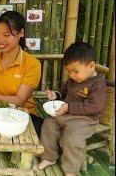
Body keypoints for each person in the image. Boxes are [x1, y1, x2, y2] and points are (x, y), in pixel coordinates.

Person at [38, 42, 106, 176]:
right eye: (69, 72)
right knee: (48, 124)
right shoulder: (72, 81)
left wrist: (70, 107)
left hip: (85, 119)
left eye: (75, 71)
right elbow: (63, 93)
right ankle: (48, 157)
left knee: (73, 136)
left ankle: (70, 169)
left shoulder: (98, 84)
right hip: (66, 114)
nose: (72, 75)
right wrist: (55, 95)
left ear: (91, 66)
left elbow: (96, 106)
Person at [0, 11, 43, 136]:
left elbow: (19, 101)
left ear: (21, 33)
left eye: (6, 35)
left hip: (22, 115)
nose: (0, 40)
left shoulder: (32, 64)